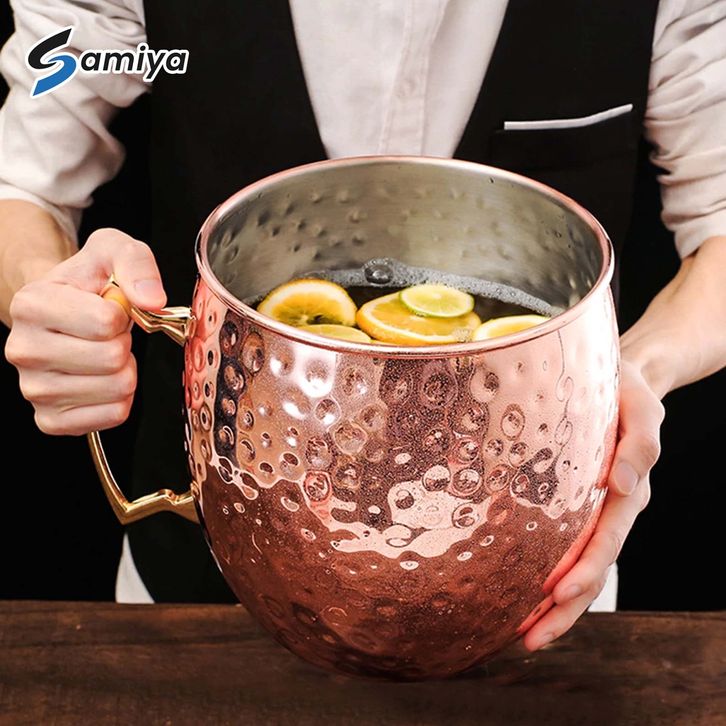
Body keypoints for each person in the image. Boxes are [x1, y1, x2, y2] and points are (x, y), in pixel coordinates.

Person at [1, 0, 725, 653]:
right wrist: (60, 302)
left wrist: (630, 370)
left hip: (539, 599)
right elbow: (23, 186)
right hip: (199, 602)